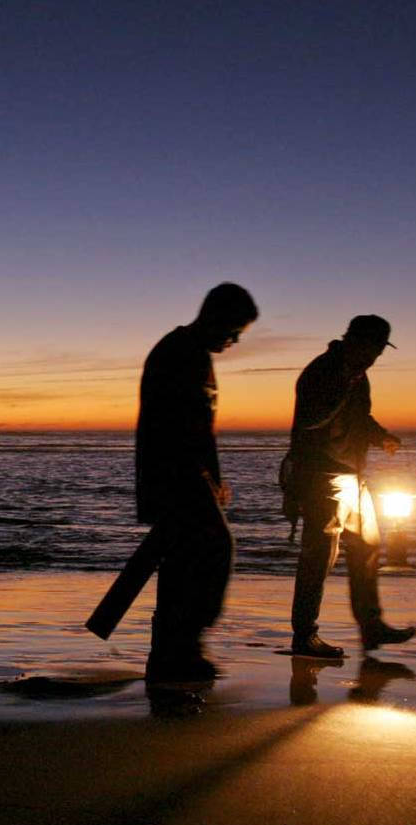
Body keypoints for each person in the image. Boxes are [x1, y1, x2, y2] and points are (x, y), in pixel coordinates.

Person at [135, 283, 258, 683]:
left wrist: (215, 479)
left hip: (182, 474)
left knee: (183, 561)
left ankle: (173, 650)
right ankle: (182, 644)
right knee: (214, 549)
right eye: (235, 329)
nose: (236, 339)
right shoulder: (180, 353)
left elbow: (202, 429)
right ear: (216, 316)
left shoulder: (189, 352)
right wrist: (201, 479)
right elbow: (179, 428)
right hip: (177, 475)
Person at [284, 315, 416, 657]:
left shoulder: (360, 376)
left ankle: (371, 627)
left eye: (379, 352)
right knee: (318, 557)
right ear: (355, 341)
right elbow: (311, 421)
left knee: (368, 548)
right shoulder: (323, 371)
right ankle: (305, 635)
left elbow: (361, 418)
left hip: (354, 477)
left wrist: (380, 435)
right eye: (373, 349)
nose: (376, 358)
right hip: (322, 477)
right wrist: (345, 384)